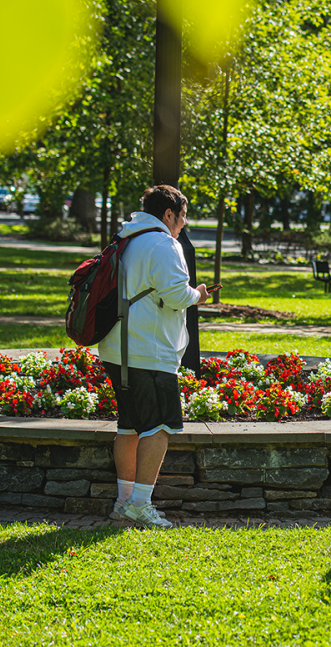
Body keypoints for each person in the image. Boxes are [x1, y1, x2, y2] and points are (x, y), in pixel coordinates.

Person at [99, 185, 210, 528]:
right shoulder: (163, 243)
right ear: (168, 214)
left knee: (129, 426)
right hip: (149, 351)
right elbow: (176, 296)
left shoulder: (125, 236)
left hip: (117, 348)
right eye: (182, 217)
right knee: (160, 426)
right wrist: (198, 295)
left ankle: (123, 501)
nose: (183, 225)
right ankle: (141, 504)